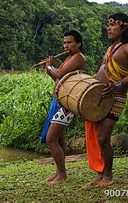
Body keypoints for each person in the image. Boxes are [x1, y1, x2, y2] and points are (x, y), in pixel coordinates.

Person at [85, 12, 128, 187]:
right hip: (100, 96)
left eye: (112, 25)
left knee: (103, 137)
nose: (108, 28)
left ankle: (108, 176)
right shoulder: (111, 48)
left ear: (123, 27)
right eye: (108, 25)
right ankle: (99, 173)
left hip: (116, 96)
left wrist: (117, 85)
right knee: (96, 136)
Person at [40, 30, 86, 185]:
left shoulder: (78, 58)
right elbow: (57, 78)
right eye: (64, 42)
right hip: (59, 100)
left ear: (78, 43)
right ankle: (60, 171)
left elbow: (58, 73)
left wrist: (51, 66)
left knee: (51, 138)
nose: (66, 45)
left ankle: (62, 174)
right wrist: (49, 69)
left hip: (66, 105)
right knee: (59, 139)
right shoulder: (69, 57)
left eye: (70, 42)